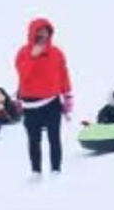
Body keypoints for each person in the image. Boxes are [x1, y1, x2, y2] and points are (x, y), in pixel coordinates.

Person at [15, 18, 72, 176]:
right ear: (32, 34)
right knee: (34, 139)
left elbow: (63, 75)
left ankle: (56, 169)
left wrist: (67, 95)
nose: (42, 37)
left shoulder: (57, 53)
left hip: (52, 103)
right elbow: (23, 76)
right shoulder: (23, 53)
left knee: (54, 137)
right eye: (39, 34)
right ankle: (36, 171)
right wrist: (33, 57)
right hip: (30, 105)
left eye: (45, 34)